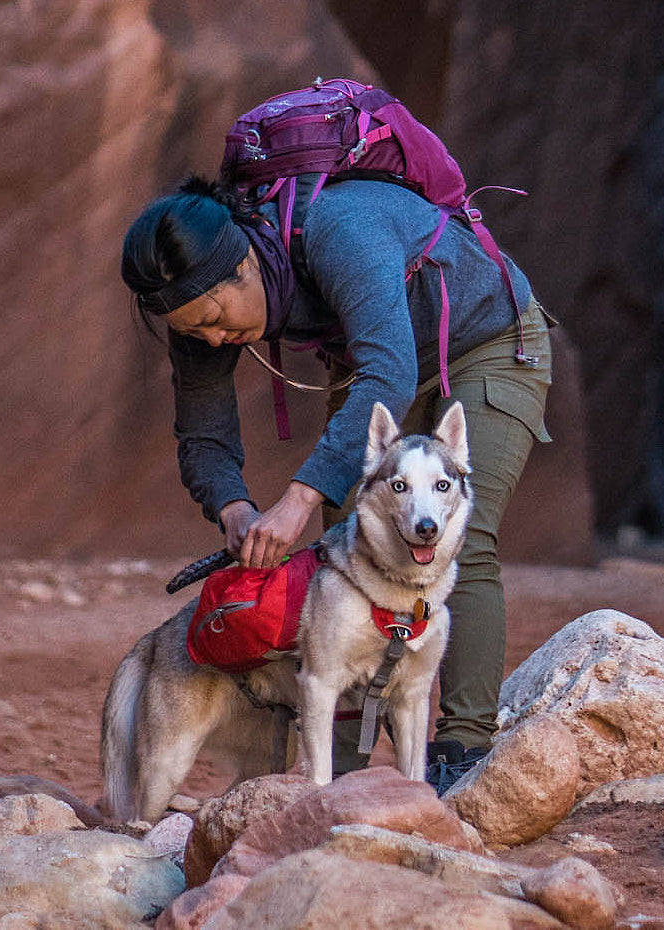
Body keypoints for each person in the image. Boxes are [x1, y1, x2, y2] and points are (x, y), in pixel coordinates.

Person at [121, 173, 553, 792]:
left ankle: (460, 752)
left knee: (460, 535)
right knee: (347, 538)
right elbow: (203, 436)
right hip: (379, 365)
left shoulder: (339, 230)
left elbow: (391, 373)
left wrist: (297, 499)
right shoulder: (197, 306)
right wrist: (236, 509)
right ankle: (337, 770)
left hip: (487, 340)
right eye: (196, 333)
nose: (215, 339)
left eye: (216, 318)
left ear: (244, 262)